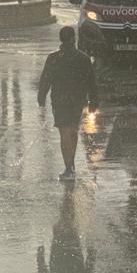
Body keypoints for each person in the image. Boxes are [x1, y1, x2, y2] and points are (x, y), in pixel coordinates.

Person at [37, 26, 98, 182]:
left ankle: (69, 168)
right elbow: (91, 81)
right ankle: (71, 165)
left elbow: (46, 79)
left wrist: (42, 96)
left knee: (64, 131)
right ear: (74, 38)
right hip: (77, 99)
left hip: (60, 99)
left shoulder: (54, 58)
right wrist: (93, 100)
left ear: (61, 40)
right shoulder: (83, 58)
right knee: (72, 130)